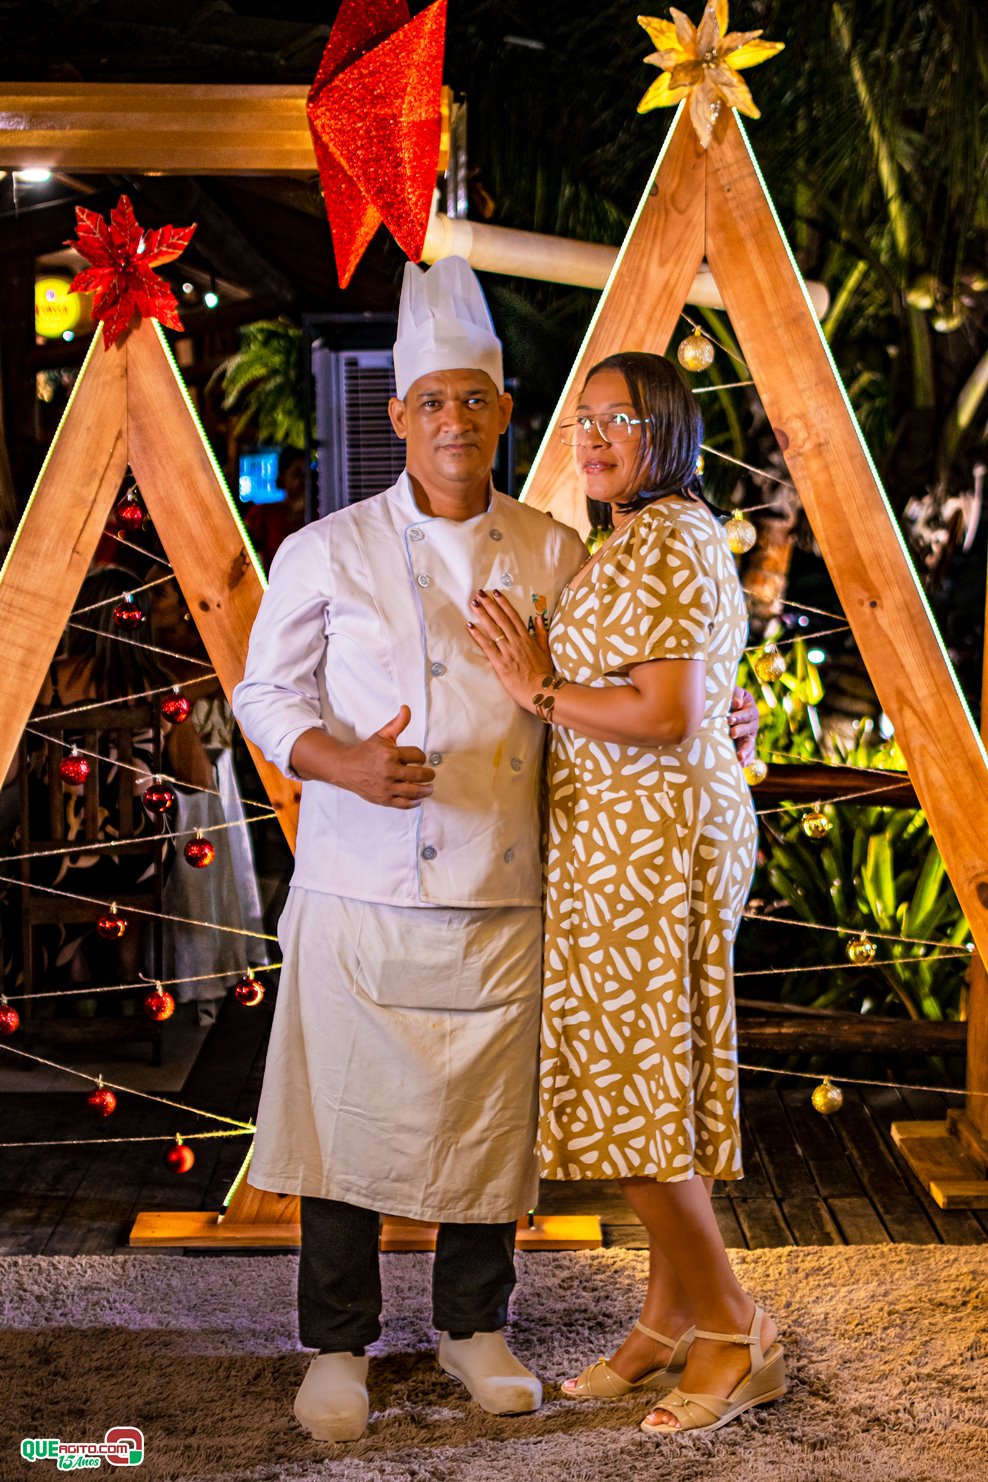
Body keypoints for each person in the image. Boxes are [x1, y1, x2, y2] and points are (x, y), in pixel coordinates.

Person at [232, 261, 760, 1444]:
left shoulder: (557, 548)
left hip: (508, 879)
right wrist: (338, 761)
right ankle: (338, 1345)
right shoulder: (325, 549)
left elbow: (638, 673)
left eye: (475, 399)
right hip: (362, 880)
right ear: (396, 415)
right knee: (341, 1123)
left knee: (484, 1124)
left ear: (505, 412)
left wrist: (722, 714)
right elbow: (263, 695)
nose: (453, 421)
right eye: (432, 401)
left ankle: (474, 1327)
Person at [469, 351, 784, 1439]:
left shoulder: (674, 538)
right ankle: (666, 1321)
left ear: (671, 432)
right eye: (585, 420)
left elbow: (665, 713)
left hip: (654, 845)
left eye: (622, 419)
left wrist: (539, 688)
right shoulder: (636, 539)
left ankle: (735, 1331)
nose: (595, 438)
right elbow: (689, 690)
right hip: (623, 839)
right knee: (647, 1088)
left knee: (629, 1093)